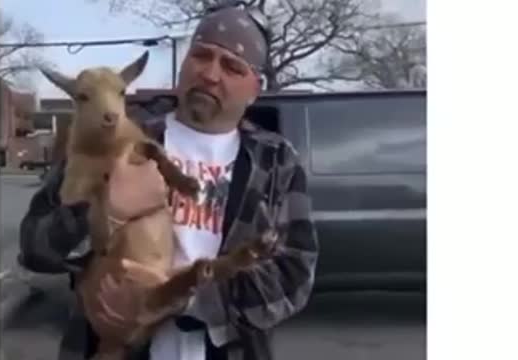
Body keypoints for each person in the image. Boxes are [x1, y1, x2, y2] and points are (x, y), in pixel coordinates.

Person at [18, 4, 319, 360]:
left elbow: (295, 275)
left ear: (256, 87)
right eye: (201, 55)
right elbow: (34, 246)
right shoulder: (118, 136)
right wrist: (104, 213)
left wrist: (185, 296)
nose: (210, 73)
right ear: (184, 63)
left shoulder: (275, 161)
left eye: (232, 66)